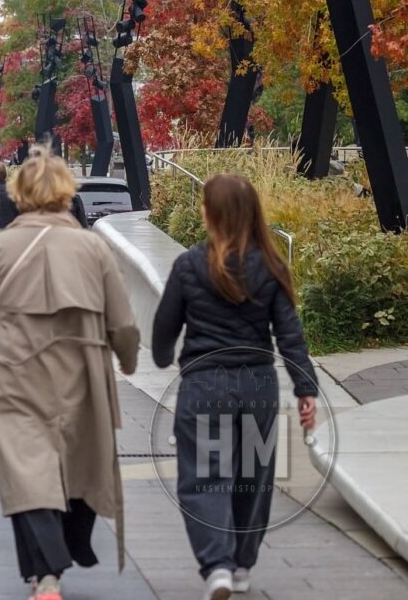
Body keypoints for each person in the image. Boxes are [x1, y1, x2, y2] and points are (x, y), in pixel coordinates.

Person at [0, 147, 139, 600]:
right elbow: (124, 322)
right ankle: (55, 564)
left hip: (14, 372)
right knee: (80, 466)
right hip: (82, 373)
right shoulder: (93, 246)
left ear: (19, 194)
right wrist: (127, 359)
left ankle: (46, 573)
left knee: (26, 471)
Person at [152, 174, 318, 600]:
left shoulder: (190, 264)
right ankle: (242, 563)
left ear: (211, 213)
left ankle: (217, 567)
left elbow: (163, 331)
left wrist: (162, 355)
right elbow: (290, 336)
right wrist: (306, 390)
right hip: (258, 386)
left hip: (205, 386)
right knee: (253, 479)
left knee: (206, 478)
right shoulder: (272, 265)